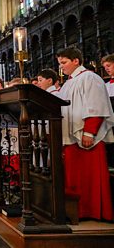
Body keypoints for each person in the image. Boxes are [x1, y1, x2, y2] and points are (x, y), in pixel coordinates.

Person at [57, 47, 114, 221]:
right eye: (60, 64)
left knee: (89, 176)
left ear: (76, 61)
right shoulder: (68, 82)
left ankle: (93, 211)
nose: (62, 67)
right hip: (72, 138)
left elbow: (96, 105)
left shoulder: (90, 78)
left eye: (64, 63)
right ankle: (77, 211)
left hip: (87, 137)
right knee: (75, 177)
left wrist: (90, 131)